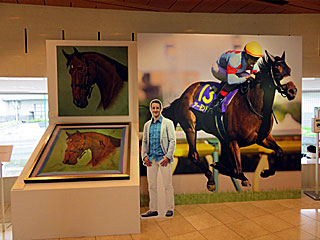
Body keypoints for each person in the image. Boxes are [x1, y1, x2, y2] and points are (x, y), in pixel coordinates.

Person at [141, 99, 176, 218]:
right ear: (151, 110)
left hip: (163, 159)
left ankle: (170, 208)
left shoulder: (168, 123)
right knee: (152, 185)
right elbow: (145, 141)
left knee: (167, 184)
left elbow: (172, 141)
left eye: (157, 108)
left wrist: (168, 157)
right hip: (151, 159)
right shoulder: (147, 125)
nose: (155, 110)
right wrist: (144, 156)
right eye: (153, 108)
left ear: (160, 109)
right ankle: (153, 209)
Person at [206, 41, 263, 114]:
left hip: (235, 70)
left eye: (256, 59)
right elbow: (231, 80)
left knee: (248, 79)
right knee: (234, 83)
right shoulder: (236, 59)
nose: (254, 61)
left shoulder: (254, 64)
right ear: (246, 55)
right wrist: (246, 78)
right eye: (252, 58)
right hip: (219, 68)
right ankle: (216, 102)